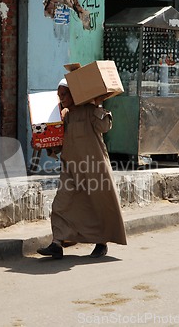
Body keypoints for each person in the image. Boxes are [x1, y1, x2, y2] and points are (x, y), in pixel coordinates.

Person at [37, 78, 127, 259]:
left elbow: (105, 126)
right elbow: (60, 143)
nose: (61, 98)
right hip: (71, 169)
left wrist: (98, 105)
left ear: (74, 94)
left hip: (94, 169)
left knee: (98, 207)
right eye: (59, 95)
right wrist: (45, 142)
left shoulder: (90, 110)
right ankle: (57, 243)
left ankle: (101, 243)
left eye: (64, 94)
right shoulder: (65, 115)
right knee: (60, 205)